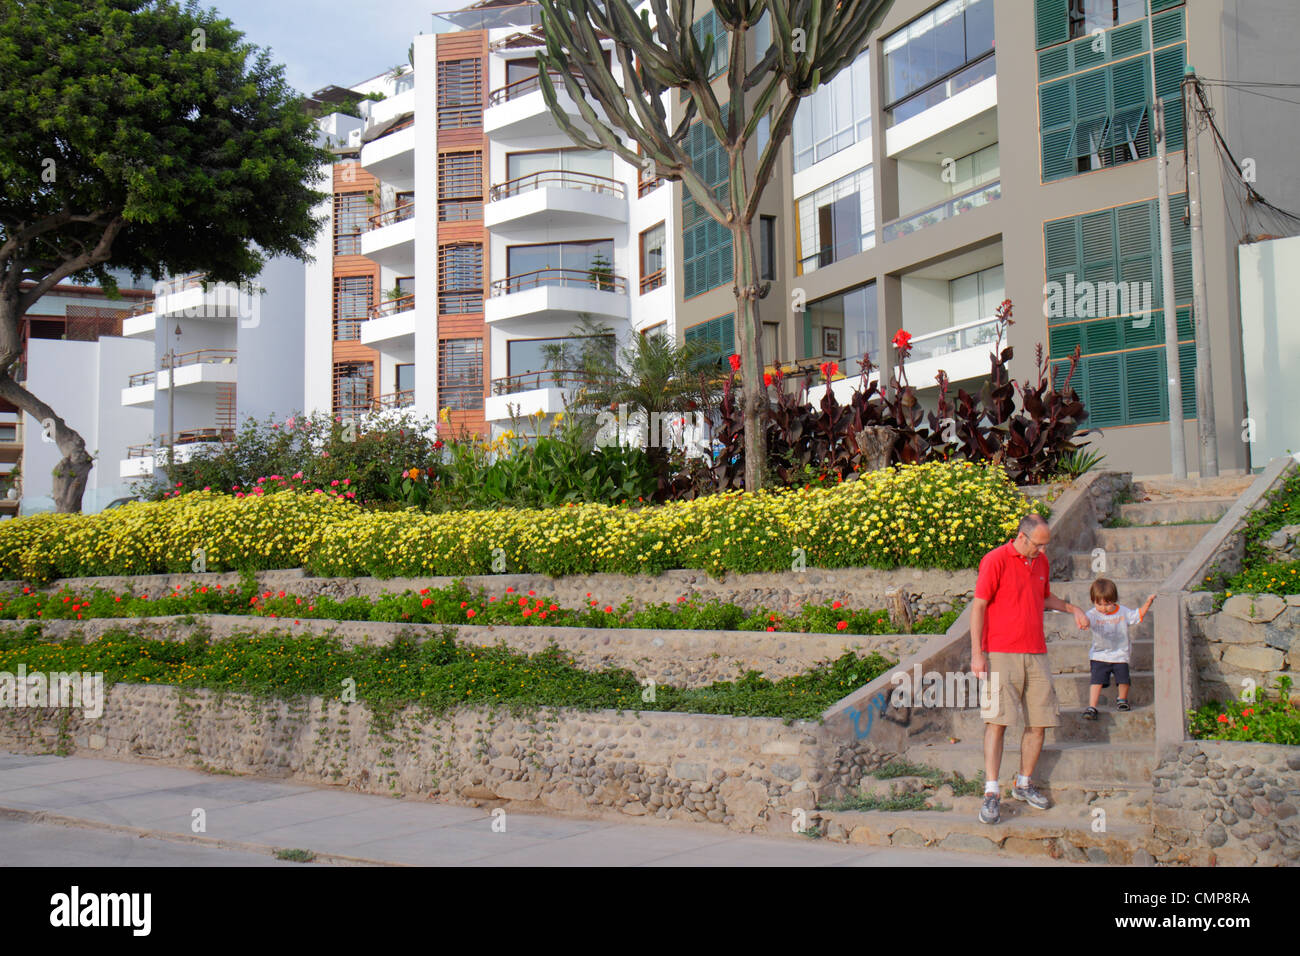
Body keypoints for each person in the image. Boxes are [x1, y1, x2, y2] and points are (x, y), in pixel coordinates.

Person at [970, 513, 1090, 825]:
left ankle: (1024, 783)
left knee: (1039, 722)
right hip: (1001, 653)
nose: (1043, 551)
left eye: (1045, 546)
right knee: (997, 723)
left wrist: (1073, 608)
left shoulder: (1041, 563)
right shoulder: (995, 560)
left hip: (1036, 653)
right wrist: (977, 654)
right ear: (1022, 537)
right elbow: (979, 605)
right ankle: (991, 791)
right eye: (1039, 545)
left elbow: (1044, 597)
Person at [1081, 578, 1155, 720]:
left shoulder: (1123, 612)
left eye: (1107, 604)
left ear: (1114, 600)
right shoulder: (1092, 614)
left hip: (1120, 653)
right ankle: (1092, 706)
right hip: (1099, 655)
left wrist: (1148, 603)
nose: (1103, 608)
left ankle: (1122, 700)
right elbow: (1085, 620)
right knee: (1096, 680)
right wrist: (1083, 622)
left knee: (1123, 679)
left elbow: (1137, 615)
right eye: (1099, 604)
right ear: (1093, 601)